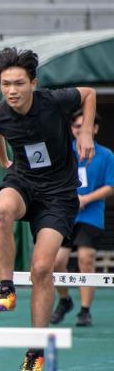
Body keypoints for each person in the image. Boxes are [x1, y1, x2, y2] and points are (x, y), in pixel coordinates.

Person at [0, 46, 96, 371]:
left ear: (33, 82)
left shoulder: (54, 101)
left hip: (59, 195)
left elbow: (89, 94)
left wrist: (87, 131)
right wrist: (3, 159)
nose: (12, 91)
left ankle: (35, 352)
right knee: (2, 209)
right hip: (23, 183)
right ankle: (6, 287)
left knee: (42, 268)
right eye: (5, 84)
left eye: (18, 83)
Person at [50, 111, 114, 327]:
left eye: (84, 126)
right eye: (76, 126)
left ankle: (85, 311)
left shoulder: (106, 156)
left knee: (86, 259)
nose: (80, 130)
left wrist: (86, 198)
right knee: (57, 260)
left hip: (91, 214)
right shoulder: (63, 153)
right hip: (65, 214)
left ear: (94, 129)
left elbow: (110, 186)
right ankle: (65, 299)